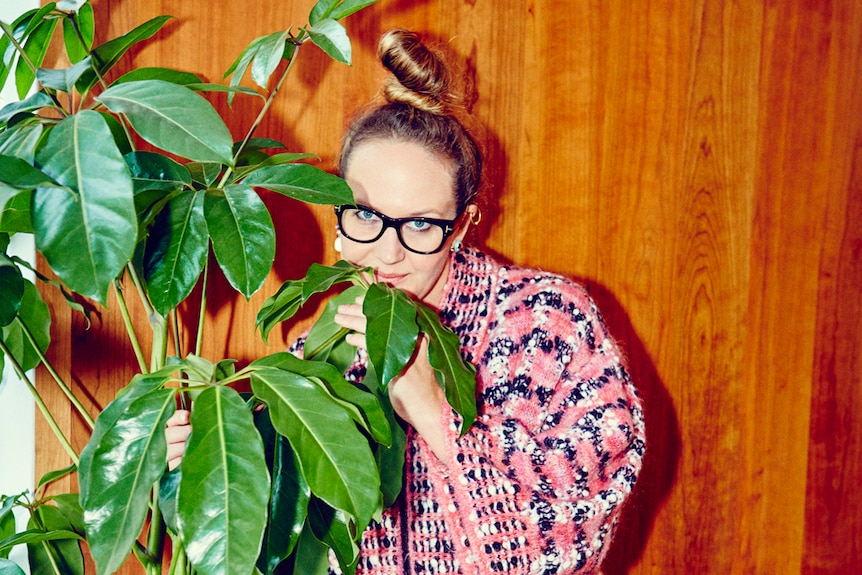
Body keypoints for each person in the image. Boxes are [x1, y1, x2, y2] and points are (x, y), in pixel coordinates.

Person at [167, 28, 645, 575]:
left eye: (420, 223)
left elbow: (562, 547)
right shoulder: (319, 354)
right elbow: (284, 547)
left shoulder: (550, 325)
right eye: (367, 216)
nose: (388, 253)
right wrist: (209, 472)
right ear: (338, 214)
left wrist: (433, 410)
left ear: (461, 225)